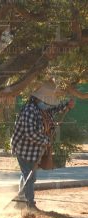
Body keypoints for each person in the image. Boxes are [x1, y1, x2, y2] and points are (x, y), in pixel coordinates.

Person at [11, 81, 75, 210]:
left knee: (28, 175)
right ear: (39, 99)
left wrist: (66, 105)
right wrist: (46, 140)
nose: (48, 105)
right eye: (47, 102)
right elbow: (29, 133)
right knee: (29, 176)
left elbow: (54, 109)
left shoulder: (41, 109)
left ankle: (20, 201)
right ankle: (29, 205)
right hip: (24, 149)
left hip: (34, 149)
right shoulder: (29, 110)